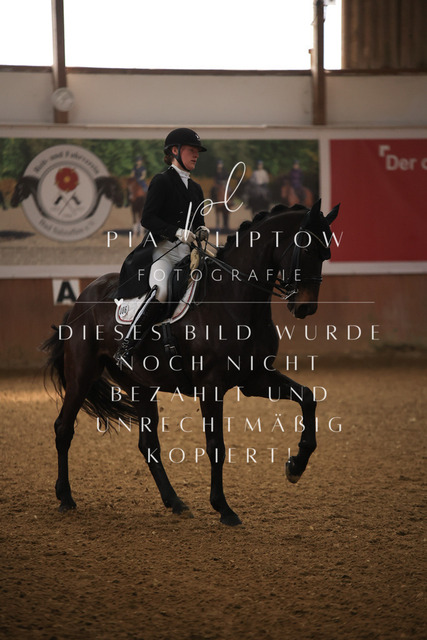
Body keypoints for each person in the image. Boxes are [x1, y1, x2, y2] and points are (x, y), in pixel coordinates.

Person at [115, 128, 209, 360]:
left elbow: (198, 222)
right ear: (175, 151)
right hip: (163, 252)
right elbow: (148, 219)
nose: (196, 155)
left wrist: (201, 230)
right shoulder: (162, 181)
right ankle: (128, 345)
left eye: (197, 151)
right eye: (191, 150)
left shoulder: (196, 189)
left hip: (189, 255)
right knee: (163, 290)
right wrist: (176, 231)